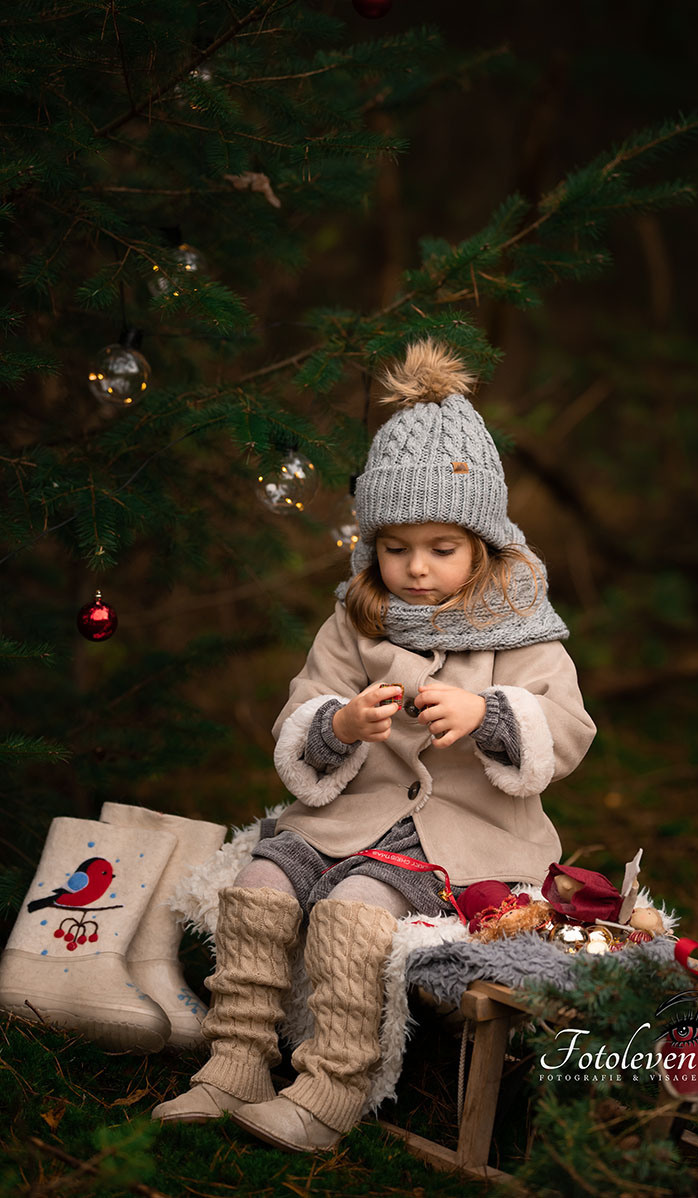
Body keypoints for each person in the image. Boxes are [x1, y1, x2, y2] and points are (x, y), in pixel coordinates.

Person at [152, 338, 597, 1151]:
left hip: (454, 841)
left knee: (357, 907)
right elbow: (302, 708)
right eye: (396, 549)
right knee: (260, 879)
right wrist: (340, 724)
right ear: (370, 546)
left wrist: (490, 713)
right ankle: (237, 1060)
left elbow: (565, 730)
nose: (417, 571)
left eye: (441, 549)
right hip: (346, 818)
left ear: (483, 543)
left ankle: (334, 1085)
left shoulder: (519, 629)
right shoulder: (355, 620)